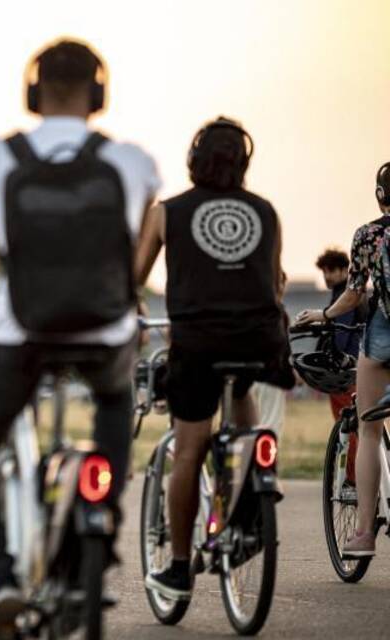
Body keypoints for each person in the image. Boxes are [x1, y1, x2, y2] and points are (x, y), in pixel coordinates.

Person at [0, 39, 160, 634]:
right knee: (112, 404)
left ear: (33, 91)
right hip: (105, 332)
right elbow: (141, 249)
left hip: (20, 330)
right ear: (98, 93)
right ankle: (99, 519)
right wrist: (122, 292)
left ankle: (1, 581)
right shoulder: (134, 163)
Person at [136, 117, 291, 599]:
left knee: (188, 452)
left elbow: (131, 278)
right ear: (244, 162)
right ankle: (247, 496)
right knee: (241, 392)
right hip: (259, 341)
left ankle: (179, 569)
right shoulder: (266, 212)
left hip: (198, 343)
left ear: (193, 159)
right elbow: (277, 282)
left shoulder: (167, 213)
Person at [295, 161, 390, 557]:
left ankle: (364, 533)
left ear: (380, 195)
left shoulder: (369, 234)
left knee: (368, 429)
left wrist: (324, 315)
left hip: (384, 335)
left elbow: (354, 293)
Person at [315, 248, 367, 484]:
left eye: (332, 270)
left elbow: (341, 335)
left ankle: (353, 477)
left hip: (345, 371)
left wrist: (333, 361)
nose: (327, 275)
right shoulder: (354, 294)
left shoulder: (344, 296)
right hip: (362, 366)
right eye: (324, 270)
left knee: (348, 423)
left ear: (345, 270)